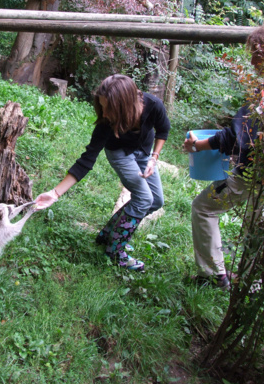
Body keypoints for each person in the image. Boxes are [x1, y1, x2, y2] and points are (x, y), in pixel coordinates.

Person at [182, 21, 264, 289]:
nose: (252, 61)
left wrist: (198, 145)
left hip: (252, 175)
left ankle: (214, 276)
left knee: (204, 208)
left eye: (254, 54)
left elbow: (237, 137)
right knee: (256, 227)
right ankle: (250, 284)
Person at [35, 74, 171, 271]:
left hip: (145, 152)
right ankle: (115, 252)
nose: (105, 114)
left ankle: (109, 234)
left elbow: (163, 130)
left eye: (109, 109)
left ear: (125, 105)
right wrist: (55, 194)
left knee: (156, 201)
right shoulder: (105, 125)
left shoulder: (153, 105)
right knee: (143, 199)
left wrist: (154, 157)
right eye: (102, 107)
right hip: (120, 153)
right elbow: (86, 160)